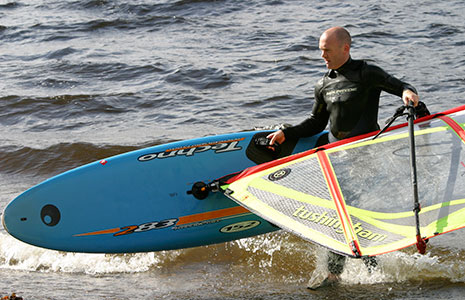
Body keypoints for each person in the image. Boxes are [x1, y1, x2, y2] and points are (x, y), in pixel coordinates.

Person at [266, 26, 420, 289]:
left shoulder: (366, 73)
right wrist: (286, 132)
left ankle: (337, 274)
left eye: (326, 50)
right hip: (336, 158)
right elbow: (316, 122)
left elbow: (401, 86)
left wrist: (408, 93)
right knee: (343, 214)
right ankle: (373, 269)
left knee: (345, 212)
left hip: (364, 155)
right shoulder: (324, 83)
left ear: (345, 48)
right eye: (320, 50)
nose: (322, 55)